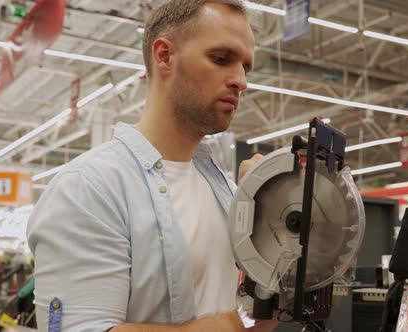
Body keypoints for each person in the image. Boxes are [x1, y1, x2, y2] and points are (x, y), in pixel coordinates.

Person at [27, 0, 275, 331]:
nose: (240, 81)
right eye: (221, 59)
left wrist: (273, 215)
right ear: (164, 56)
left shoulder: (227, 193)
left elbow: (258, 319)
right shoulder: (89, 188)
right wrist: (230, 325)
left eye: (246, 67)